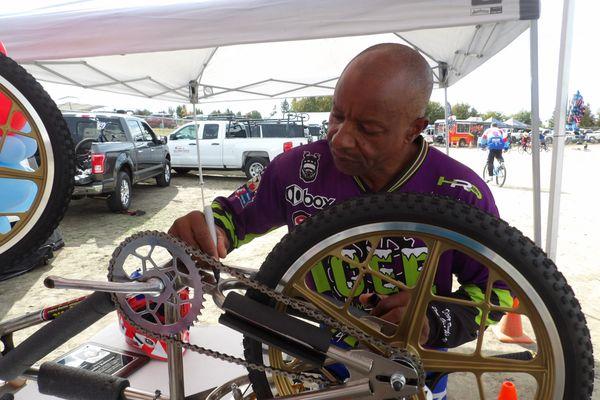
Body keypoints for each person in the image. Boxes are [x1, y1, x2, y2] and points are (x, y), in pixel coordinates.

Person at [169, 43, 511, 398]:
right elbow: (232, 216)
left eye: (368, 129)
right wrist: (210, 228)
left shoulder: (460, 192)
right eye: (337, 116)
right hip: (320, 364)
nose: (342, 138)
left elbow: (498, 292)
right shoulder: (297, 171)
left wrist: (433, 320)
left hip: (412, 374)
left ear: (415, 128)